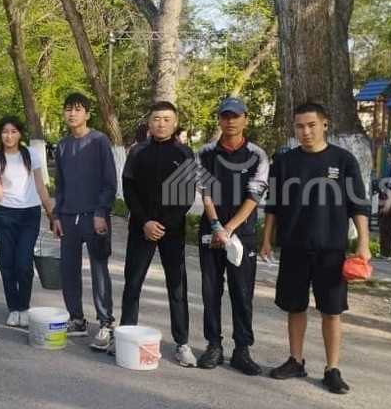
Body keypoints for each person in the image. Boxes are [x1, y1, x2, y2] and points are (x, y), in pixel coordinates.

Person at [261, 102, 371, 394]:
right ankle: (295, 360)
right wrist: (267, 239)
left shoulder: (343, 160)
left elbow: (358, 205)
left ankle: (332, 368)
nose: (306, 131)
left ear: (325, 124)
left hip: (331, 250)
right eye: (299, 126)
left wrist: (363, 242)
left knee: (331, 311)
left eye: (311, 125)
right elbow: (273, 206)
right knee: (294, 307)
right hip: (294, 247)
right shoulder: (284, 163)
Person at [194, 97, 269, 374]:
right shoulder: (205, 153)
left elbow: (254, 196)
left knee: (242, 292)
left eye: (235, 116)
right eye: (225, 116)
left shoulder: (257, 155)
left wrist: (228, 229)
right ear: (219, 119)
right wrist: (216, 226)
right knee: (210, 291)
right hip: (211, 231)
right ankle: (214, 345)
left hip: (242, 234)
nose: (230, 121)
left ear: (245, 119)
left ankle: (242, 349)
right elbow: (205, 192)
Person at [120, 100, 197, 367]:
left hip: (172, 231)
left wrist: (164, 224)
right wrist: (145, 222)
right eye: (156, 119)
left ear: (174, 123)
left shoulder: (185, 153)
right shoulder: (137, 152)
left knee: (177, 287)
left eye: (166, 119)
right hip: (141, 228)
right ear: (149, 123)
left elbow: (187, 194)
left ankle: (182, 343)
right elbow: (128, 188)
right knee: (132, 283)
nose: (161, 124)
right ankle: (125, 336)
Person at [50, 93, 118, 350]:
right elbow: (60, 185)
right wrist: (57, 215)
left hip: (94, 217)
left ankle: (106, 323)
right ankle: (76, 318)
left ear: (87, 114)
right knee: (69, 270)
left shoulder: (99, 141)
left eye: (77, 109)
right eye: (68, 109)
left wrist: (101, 212)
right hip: (68, 217)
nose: (72, 114)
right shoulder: (62, 145)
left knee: (99, 270)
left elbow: (110, 182)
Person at [0, 116, 55, 327]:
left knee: (23, 263)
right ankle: (13, 308)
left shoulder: (31, 154)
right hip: (5, 215)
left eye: (13, 131)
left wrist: (51, 214)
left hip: (29, 215)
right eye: (5, 132)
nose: (9, 136)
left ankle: (24, 306)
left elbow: (40, 187)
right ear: (0, 134)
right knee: (7, 264)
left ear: (20, 133)